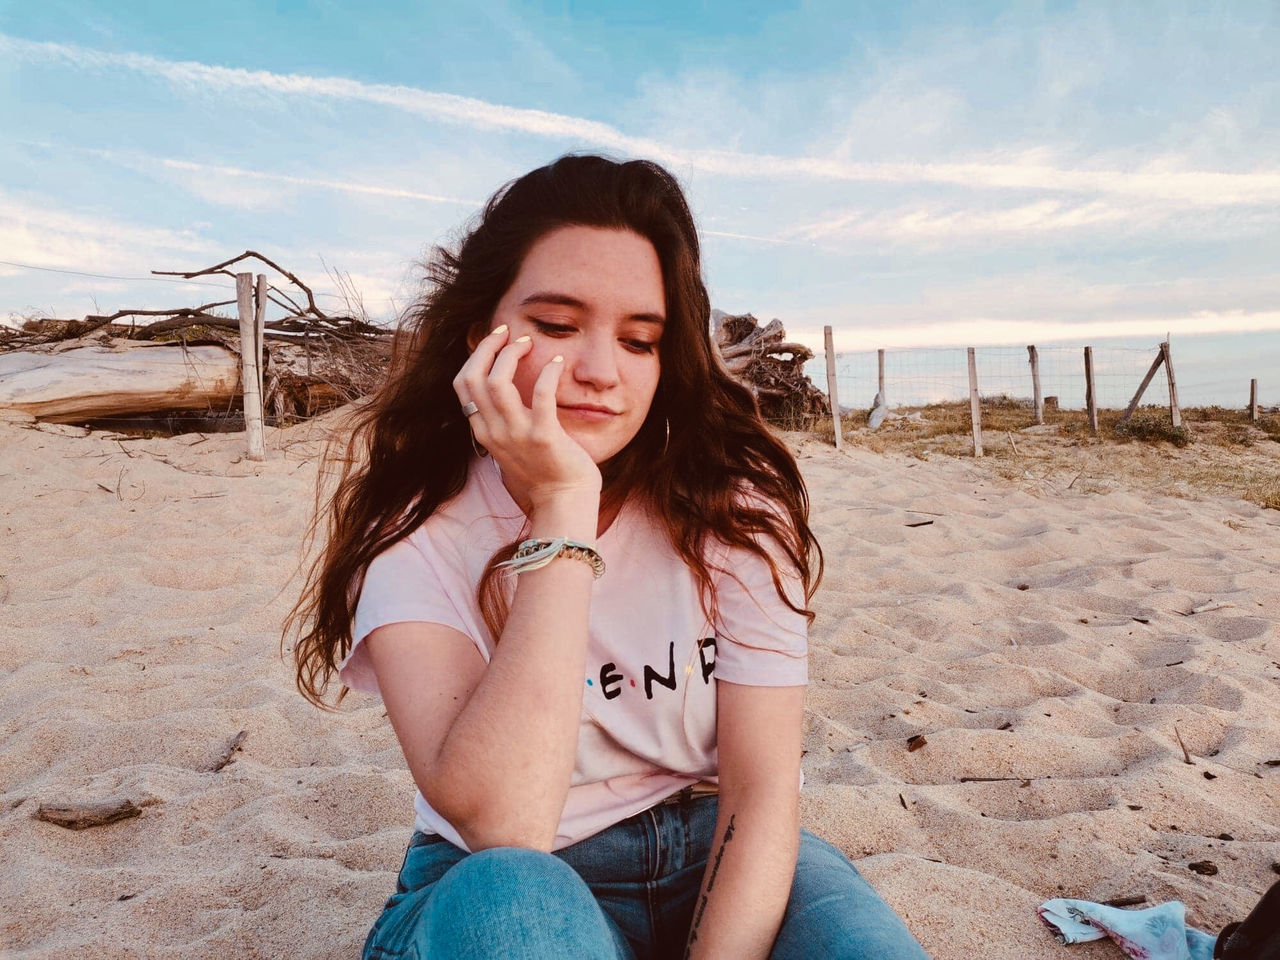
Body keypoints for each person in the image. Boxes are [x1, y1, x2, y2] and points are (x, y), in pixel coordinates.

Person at [285, 154, 930, 960]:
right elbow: (505, 822)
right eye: (556, 326)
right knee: (513, 900)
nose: (598, 371)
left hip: (717, 851)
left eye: (639, 340)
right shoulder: (419, 533)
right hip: (511, 884)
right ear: (476, 335)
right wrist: (562, 509)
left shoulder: (734, 509)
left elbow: (762, 791)